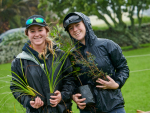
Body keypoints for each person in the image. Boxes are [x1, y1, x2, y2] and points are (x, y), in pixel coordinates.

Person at [63, 12, 129, 113]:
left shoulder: (107, 45)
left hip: (114, 106)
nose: (75, 30)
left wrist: (117, 83)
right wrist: (73, 96)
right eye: (71, 28)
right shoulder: (71, 55)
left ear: (86, 24)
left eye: (77, 25)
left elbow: (123, 68)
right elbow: (70, 80)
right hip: (88, 108)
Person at [10, 15, 75, 113]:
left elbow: (70, 79)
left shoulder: (61, 56)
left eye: (40, 30)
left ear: (46, 31)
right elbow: (16, 87)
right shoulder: (19, 61)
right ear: (27, 34)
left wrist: (62, 95)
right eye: (32, 31)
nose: (37, 34)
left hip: (61, 110)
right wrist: (29, 101)